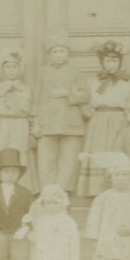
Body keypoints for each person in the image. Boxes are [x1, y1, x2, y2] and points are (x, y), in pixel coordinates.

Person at [76, 40, 130, 197]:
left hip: (118, 120)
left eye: (115, 61)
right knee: (98, 149)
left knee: (116, 150)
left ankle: (116, 185)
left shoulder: (128, 82)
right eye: (108, 61)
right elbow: (86, 100)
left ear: (120, 62)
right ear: (102, 62)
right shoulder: (93, 81)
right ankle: (96, 189)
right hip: (99, 120)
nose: (111, 64)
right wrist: (88, 111)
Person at [32, 33, 90, 193]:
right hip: (47, 121)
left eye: (62, 51)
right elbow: (36, 97)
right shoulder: (43, 72)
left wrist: (67, 92)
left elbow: (86, 94)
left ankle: (63, 191)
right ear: (50, 54)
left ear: (68, 53)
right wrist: (35, 120)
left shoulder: (76, 71)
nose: (58, 55)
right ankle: (48, 191)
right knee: (46, 159)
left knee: (69, 158)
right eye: (54, 51)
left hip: (70, 121)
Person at [0, 47, 36, 195]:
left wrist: (32, 129)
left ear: (20, 69)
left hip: (20, 124)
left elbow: (30, 110)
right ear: (2, 70)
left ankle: (23, 187)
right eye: (8, 67)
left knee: (19, 152)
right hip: (1, 123)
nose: (11, 70)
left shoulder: (26, 89)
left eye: (14, 67)